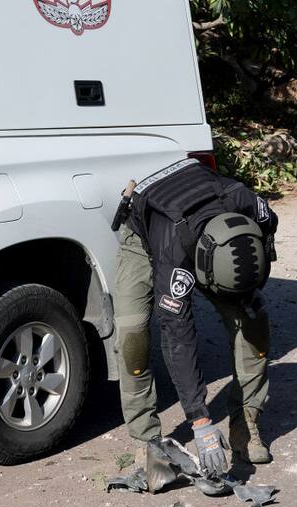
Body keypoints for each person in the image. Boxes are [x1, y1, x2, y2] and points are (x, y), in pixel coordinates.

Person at [112, 157, 278, 477]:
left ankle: (245, 424)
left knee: (253, 319)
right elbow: (178, 335)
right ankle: (147, 440)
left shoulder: (247, 202)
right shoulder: (173, 257)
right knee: (132, 336)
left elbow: (268, 224)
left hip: (210, 225)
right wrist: (200, 421)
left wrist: (257, 271)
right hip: (146, 230)